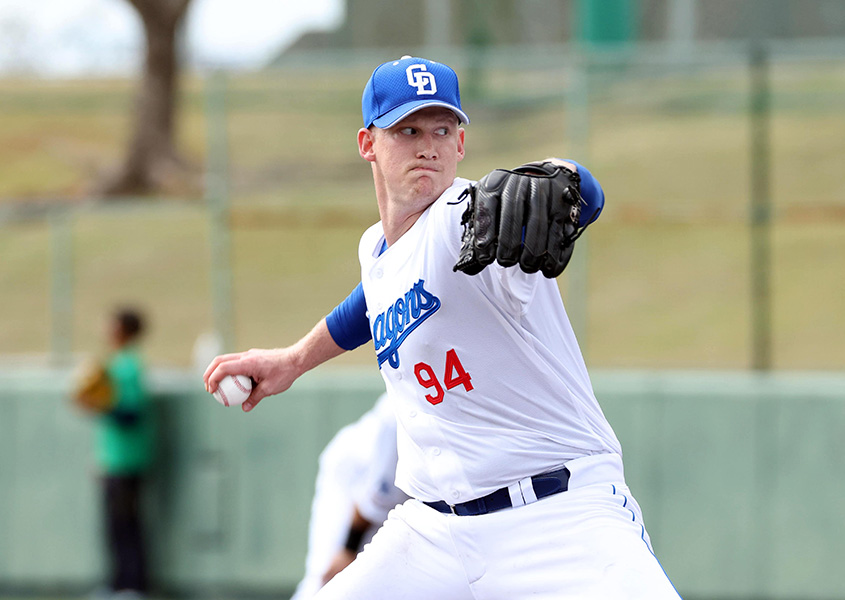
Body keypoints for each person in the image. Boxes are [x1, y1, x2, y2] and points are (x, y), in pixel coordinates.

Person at [205, 56, 680, 599]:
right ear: (368, 143)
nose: (427, 145)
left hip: (558, 516)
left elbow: (562, 195)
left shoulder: (468, 217)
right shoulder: (377, 250)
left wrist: (568, 178)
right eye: (407, 129)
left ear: (460, 145)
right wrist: (292, 360)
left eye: (442, 129)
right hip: (434, 533)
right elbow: (374, 298)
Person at [291, 393, 408, 600]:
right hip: (354, 478)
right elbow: (374, 496)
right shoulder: (398, 412)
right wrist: (347, 549)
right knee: (329, 580)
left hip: (386, 485)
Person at [75, 308, 153, 599]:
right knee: (114, 525)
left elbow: (131, 414)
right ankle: (119, 583)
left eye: (112, 324)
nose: (107, 329)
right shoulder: (116, 364)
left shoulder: (129, 365)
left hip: (128, 460)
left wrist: (100, 405)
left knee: (126, 524)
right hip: (114, 461)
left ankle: (133, 585)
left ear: (124, 329)